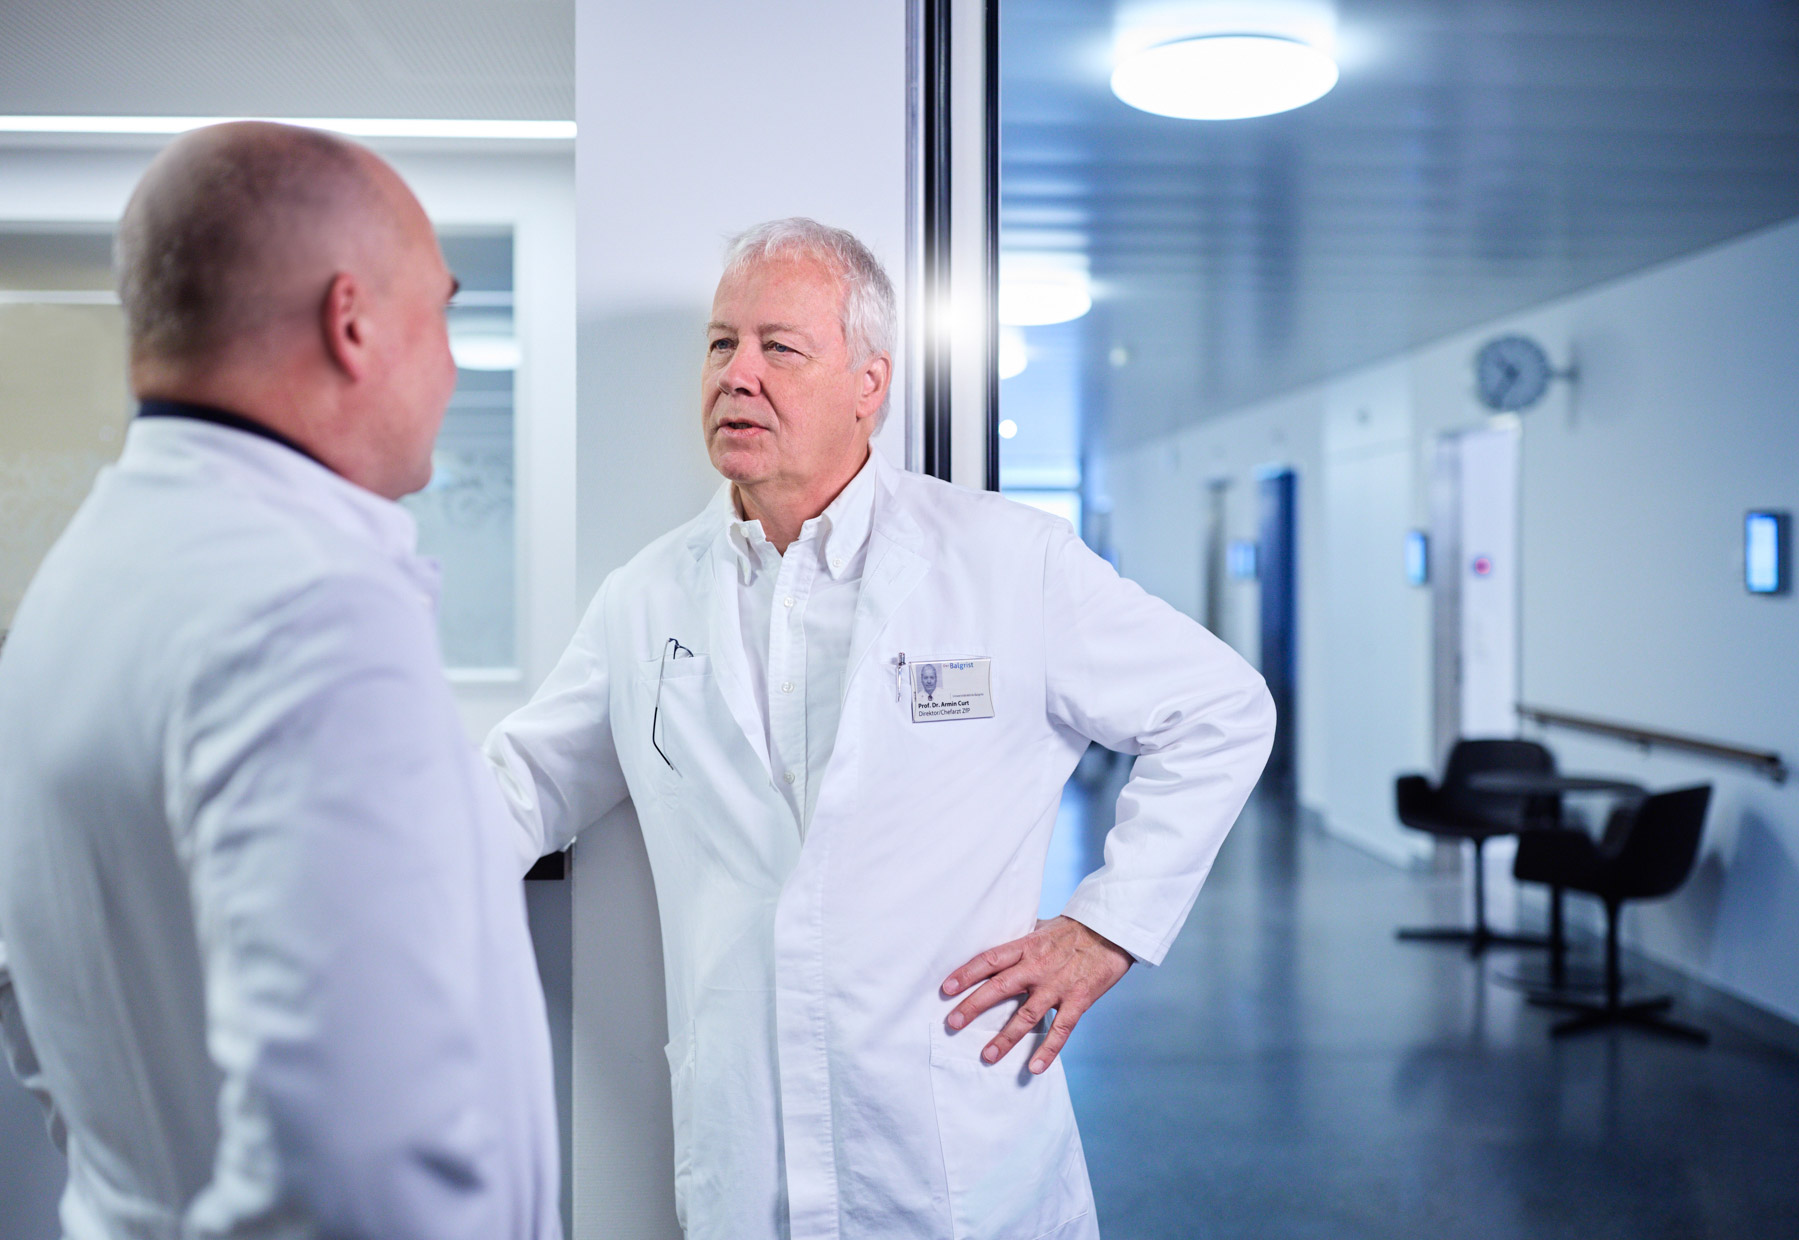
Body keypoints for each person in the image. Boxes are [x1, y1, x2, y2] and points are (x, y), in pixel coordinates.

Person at [484, 217, 1275, 1239]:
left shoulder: (1005, 561)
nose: (739, 375)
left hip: (954, 1145)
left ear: (871, 384)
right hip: (749, 1147)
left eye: (781, 346)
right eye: (722, 343)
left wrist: (1105, 927)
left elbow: (1221, 708)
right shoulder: (647, 598)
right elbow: (527, 782)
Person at [0, 122, 559, 1240]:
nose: (450, 364)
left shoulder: (76, 584)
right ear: (351, 322)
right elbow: (364, 1182)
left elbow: (61, 1055)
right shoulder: (311, 616)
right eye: (442, 310)